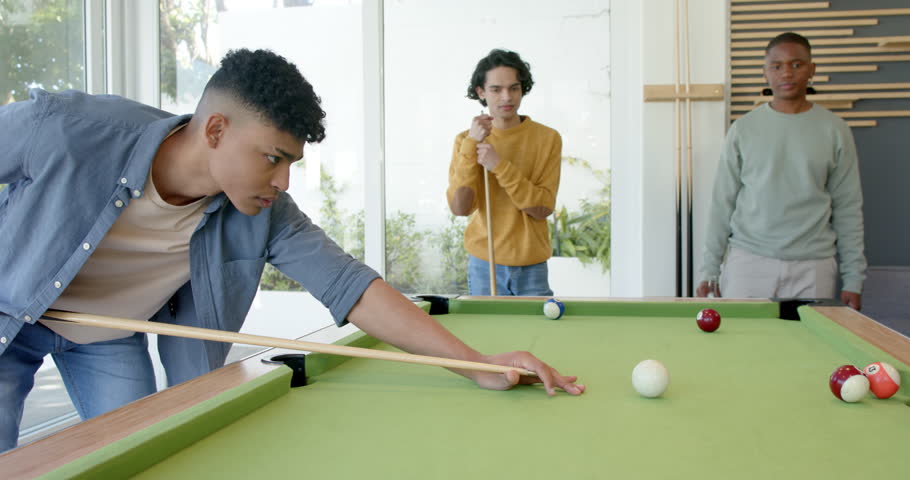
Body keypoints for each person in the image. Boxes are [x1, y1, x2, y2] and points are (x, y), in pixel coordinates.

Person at [0, 49, 584, 453]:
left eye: (290, 163)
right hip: (8, 314)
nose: (282, 181)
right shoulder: (67, 127)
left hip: (105, 334)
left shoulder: (262, 210)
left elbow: (352, 286)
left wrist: (475, 365)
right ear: (216, 130)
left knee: (137, 451)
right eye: (272, 157)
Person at [696, 32, 866, 309]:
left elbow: (848, 208)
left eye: (797, 64)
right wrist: (709, 269)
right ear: (765, 73)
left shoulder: (835, 130)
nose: (787, 73)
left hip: (815, 265)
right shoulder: (743, 129)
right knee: (742, 347)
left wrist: (853, 279)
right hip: (749, 262)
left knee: (809, 351)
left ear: (812, 70)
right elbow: (722, 203)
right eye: (777, 66)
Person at [447, 49, 562, 296]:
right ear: (481, 92)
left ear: (523, 89)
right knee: (486, 336)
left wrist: (498, 165)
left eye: (514, 88)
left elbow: (542, 207)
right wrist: (471, 145)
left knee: (537, 336)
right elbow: (460, 208)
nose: (506, 97)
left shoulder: (547, 139)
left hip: (532, 266)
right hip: (484, 263)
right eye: (496, 89)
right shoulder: (464, 141)